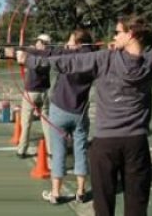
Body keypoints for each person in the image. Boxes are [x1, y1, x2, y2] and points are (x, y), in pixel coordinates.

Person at [17, 14, 152, 215]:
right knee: (137, 204)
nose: (114, 36)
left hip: (106, 145)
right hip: (137, 143)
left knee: (103, 205)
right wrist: (133, 38)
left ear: (131, 34)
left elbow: (67, 63)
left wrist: (30, 60)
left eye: (117, 32)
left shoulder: (105, 58)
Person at [39, 29, 96, 205]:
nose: (67, 43)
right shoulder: (94, 59)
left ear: (79, 44)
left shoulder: (68, 57)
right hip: (80, 113)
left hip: (60, 111)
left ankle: (55, 193)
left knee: (59, 152)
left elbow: (48, 58)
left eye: (71, 41)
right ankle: (81, 192)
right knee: (80, 150)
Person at [16, 33, 52, 159]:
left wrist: (22, 49)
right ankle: (51, 150)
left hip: (31, 92)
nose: (36, 43)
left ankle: (22, 150)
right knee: (46, 121)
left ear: (41, 43)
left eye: (38, 41)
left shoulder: (32, 54)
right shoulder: (49, 55)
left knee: (26, 122)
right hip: (45, 92)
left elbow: (20, 59)